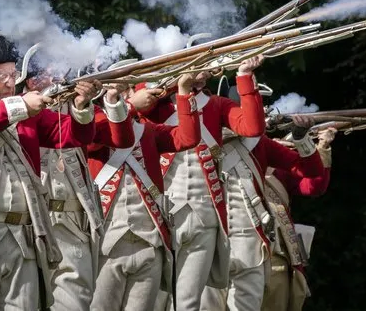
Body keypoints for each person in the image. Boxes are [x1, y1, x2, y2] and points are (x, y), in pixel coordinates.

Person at [0, 33, 131, 310]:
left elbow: (77, 136)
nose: (9, 82)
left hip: (24, 239)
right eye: (1, 75)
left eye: (12, 74)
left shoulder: (30, 117)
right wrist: (20, 105)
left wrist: (81, 105)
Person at [144, 56, 266, 311]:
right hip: (159, 214)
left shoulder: (216, 104)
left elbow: (252, 127)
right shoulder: (157, 102)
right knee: (150, 301)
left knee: (188, 303)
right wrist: (175, 82)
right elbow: (127, 110)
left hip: (205, 213)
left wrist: (243, 74)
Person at [199, 81, 333, 311]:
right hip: (207, 247)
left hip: (260, 253)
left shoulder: (264, 146)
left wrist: (305, 140)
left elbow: (313, 179)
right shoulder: (199, 138)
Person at [87, 59, 202, 311]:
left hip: (150, 241)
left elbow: (189, 137)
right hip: (106, 245)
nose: (134, 93)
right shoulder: (91, 124)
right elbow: (104, 137)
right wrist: (125, 105)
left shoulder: (146, 130)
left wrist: (184, 90)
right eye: (127, 88)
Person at [15, 45, 110, 311]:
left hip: (73, 222)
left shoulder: (76, 109)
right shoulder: (15, 111)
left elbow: (118, 137)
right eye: (52, 69)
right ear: (32, 79)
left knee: (75, 302)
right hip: (31, 223)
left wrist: (94, 100)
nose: (60, 76)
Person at [261, 129, 336, 311]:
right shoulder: (224, 153)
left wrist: (322, 147)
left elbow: (313, 186)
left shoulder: (278, 160)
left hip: (277, 255)